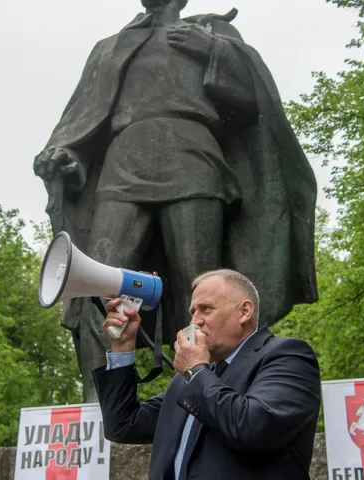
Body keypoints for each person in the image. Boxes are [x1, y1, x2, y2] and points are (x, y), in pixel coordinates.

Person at [33, 0, 319, 402]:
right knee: (98, 285)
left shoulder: (213, 33)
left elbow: (253, 103)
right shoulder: (109, 47)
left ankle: (214, 389)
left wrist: (215, 53)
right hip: (123, 161)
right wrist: (64, 154)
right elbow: (83, 119)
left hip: (193, 156)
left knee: (200, 286)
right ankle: (102, 400)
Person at [93, 269, 321, 480]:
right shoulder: (189, 380)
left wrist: (195, 371)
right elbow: (123, 425)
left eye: (206, 309)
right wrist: (122, 348)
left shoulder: (288, 356)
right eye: (193, 311)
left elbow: (251, 428)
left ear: (244, 311)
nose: (195, 321)